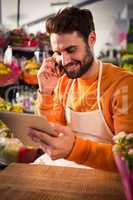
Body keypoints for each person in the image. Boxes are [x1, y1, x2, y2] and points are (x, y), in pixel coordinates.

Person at [28, 7, 133, 171]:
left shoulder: (123, 85)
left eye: (71, 50)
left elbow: (128, 157)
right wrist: (46, 92)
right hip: (66, 168)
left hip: (106, 177)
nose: (64, 61)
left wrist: (74, 149)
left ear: (91, 39)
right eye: (58, 52)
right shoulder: (63, 82)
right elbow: (53, 134)